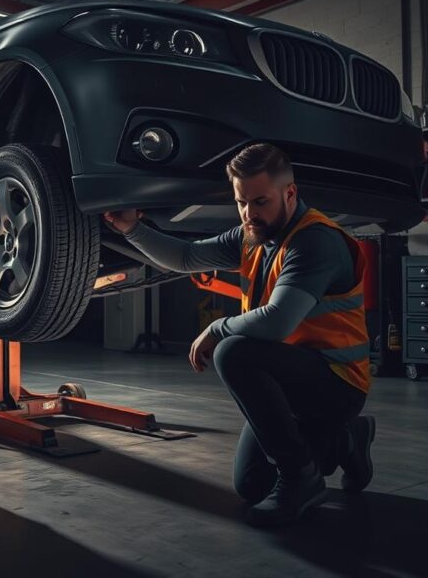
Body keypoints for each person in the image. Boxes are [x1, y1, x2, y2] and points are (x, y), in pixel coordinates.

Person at [104, 143, 375, 527]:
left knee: (232, 351)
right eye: (241, 202)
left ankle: (302, 478)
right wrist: (132, 228)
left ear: (290, 193)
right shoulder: (253, 233)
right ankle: (346, 441)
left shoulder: (315, 240)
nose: (249, 213)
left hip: (336, 383)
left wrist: (217, 328)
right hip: (288, 376)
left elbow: (277, 322)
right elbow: (186, 257)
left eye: (260, 202)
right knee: (251, 484)